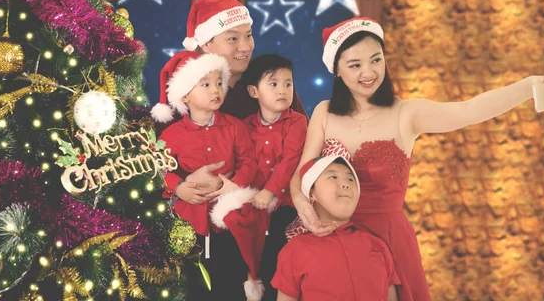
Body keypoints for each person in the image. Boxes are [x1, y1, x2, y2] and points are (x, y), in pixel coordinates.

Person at [288, 17, 544, 300]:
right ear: (337, 69)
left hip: (390, 238)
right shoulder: (324, 113)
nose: (369, 72)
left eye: (376, 60)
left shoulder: (407, 113)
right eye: (355, 65)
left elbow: (470, 110)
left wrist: (531, 85)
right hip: (332, 237)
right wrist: (305, 210)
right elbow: (302, 176)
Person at [161, 0, 308, 202]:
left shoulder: (269, 80)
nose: (245, 46)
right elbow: (159, 159)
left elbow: (304, 146)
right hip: (197, 208)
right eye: (232, 38)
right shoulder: (186, 87)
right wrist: (182, 184)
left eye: (248, 35)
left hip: (271, 202)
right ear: (206, 44)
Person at [152, 50, 258, 301]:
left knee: (230, 276)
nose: (216, 90)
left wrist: (231, 185)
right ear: (185, 95)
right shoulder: (172, 134)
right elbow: (158, 169)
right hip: (189, 220)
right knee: (191, 280)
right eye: (206, 84)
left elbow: (249, 163)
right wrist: (178, 187)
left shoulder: (234, 126)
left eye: (219, 83)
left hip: (229, 218)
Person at [272, 155, 400, 301]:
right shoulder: (294, 250)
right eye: (333, 177)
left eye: (351, 179)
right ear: (312, 193)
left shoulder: (377, 245)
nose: (345, 184)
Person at [242, 54, 308, 300]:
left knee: (278, 260)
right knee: (249, 258)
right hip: (253, 205)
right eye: (273, 83)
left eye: (288, 84)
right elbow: (245, 163)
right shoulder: (245, 126)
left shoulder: (297, 122)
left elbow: (290, 161)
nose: (282, 90)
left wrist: (269, 192)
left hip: (285, 205)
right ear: (253, 91)